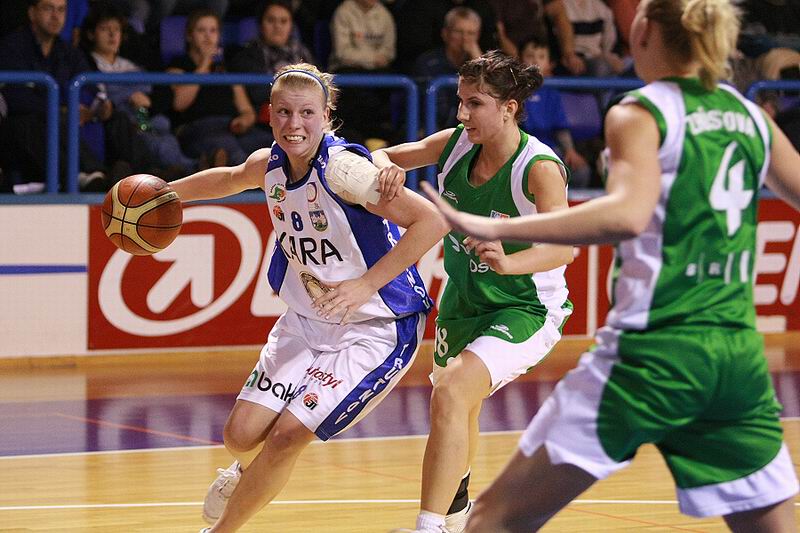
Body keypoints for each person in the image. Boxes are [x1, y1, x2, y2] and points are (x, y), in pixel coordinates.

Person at [421, 1, 800, 531]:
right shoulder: (750, 116)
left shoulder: (641, 112)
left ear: (642, 30)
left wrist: (497, 228)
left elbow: (626, 214)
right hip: (736, 354)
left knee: (495, 519)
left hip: (651, 351)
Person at [175, 62, 448, 532]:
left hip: (374, 327)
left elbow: (432, 221)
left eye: (306, 113)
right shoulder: (269, 165)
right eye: (284, 112)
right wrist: (165, 194)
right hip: (306, 320)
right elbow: (228, 179)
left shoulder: (345, 171)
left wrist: (367, 283)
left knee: (286, 437)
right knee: (240, 436)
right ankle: (244, 473)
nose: (294, 124)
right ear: (270, 113)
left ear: (326, 115)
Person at [377, 50, 574, 533]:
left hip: (525, 306)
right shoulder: (454, 145)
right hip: (464, 300)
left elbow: (564, 247)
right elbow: (381, 156)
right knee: (455, 402)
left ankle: (429, 526)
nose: (462, 114)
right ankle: (457, 507)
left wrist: (510, 263)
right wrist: (384, 168)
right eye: (461, 101)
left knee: (451, 392)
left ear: (509, 108)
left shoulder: (538, 168)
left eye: (475, 103)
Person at [166, 8, 270, 167]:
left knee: (271, 145)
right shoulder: (178, 66)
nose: (208, 36)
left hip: (230, 127)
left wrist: (244, 121)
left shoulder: (225, 69)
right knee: (232, 152)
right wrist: (204, 63)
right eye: (201, 30)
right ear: (189, 36)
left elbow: (246, 109)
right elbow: (179, 103)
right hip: (198, 128)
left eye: (213, 31)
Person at [230, 0, 314, 144]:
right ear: (260, 24)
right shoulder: (247, 55)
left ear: (291, 26)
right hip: (262, 126)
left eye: (283, 21)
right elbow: (259, 93)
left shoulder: (303, 53)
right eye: (271, 20)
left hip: (304, 123)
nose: (277, 26)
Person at [519, 39, 591, 188]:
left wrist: (570, 150)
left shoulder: (552, 93)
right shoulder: (514, 91)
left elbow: (560, 126)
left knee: (581, 170)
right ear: (520, 60)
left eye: (541, 57)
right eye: (530, 56)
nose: (535, 61)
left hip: (551, 148)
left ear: (549, 64)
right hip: (521, 149)